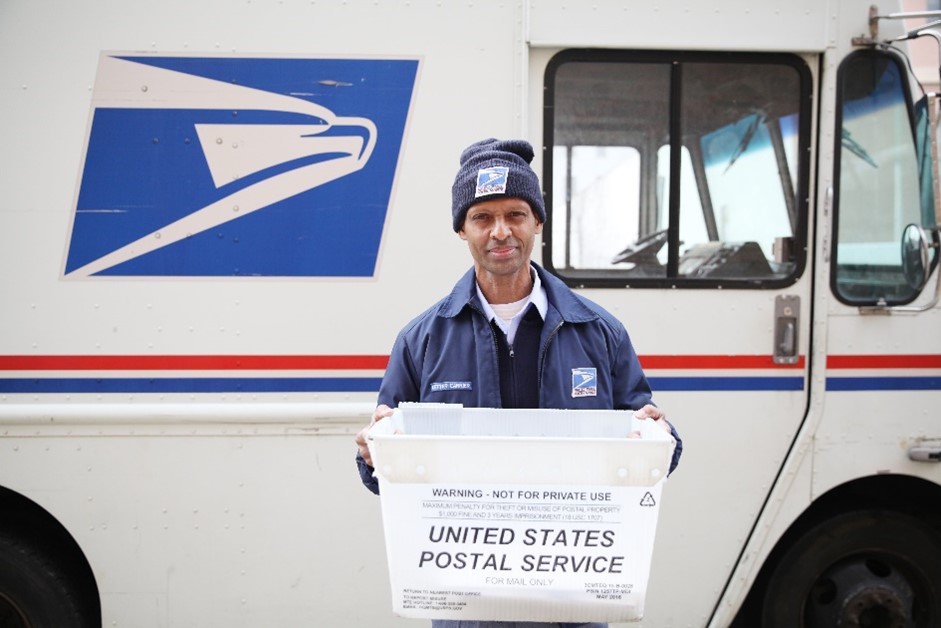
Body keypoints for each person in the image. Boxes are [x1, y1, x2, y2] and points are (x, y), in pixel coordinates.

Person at [354, 138, 682, 628]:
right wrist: (372, 452)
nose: (500, 232)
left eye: (516, 214)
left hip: (574, 603)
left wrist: (659, 437)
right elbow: (386, 477)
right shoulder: (422, 340)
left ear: (538, 223)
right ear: (461, 229)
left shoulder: (599, 332)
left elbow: (657, 454)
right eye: (482, 217)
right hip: (470, 606)